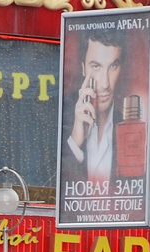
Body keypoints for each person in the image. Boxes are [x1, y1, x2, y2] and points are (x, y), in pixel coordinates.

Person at [61, 29, 127, 189]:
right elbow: (51, 185)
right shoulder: (61, 114)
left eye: (113, 66)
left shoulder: (127, 129)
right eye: (96, 66)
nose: (105, 84)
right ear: (83, 68)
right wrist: (75, 142)